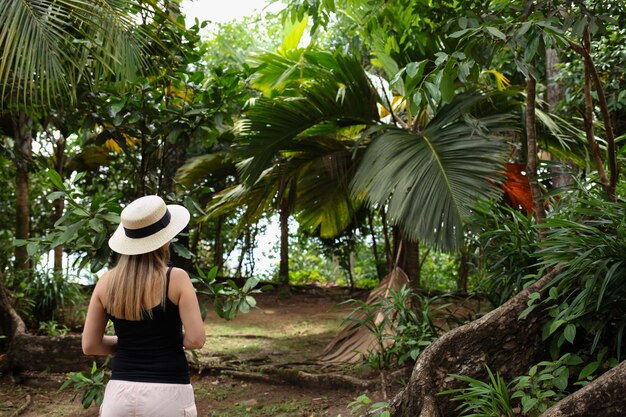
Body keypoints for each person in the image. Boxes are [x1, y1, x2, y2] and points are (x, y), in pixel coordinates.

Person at [82, 195, 206, 417]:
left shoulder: (106, 283)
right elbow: (196, 340)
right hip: (168, 393)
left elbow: (90, 345)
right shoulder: (176, 279)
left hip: (118, 394)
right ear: (165, 239)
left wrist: (131, 342)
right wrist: (166, 341)